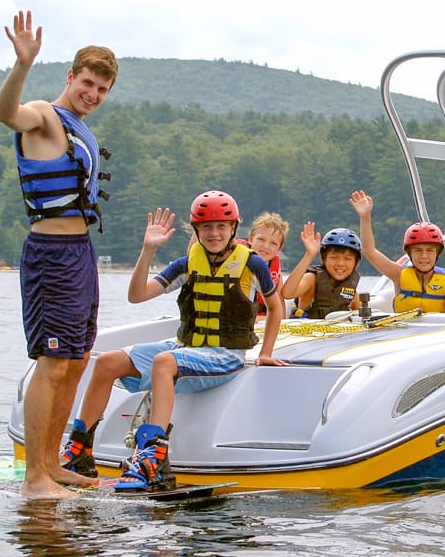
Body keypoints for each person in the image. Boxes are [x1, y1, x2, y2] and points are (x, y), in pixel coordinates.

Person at [59, 191, 286, 492]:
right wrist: (148, 250)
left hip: (225, 355)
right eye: (206, 227)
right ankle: (79, 451)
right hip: (186, 349)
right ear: (195, 230)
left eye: (221, 226)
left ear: (234, 228)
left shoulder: (252, 265)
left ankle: (153, 455)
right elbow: (137, 295)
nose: (214, 233)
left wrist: (266, 352)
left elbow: (275, 307)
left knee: (164, 362)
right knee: (107, 362)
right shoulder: (186, 264)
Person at [0, 10, 118, 499]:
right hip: (50, 251)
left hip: (80, 251)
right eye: (87, 83)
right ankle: (35, 479)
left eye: (102, 90)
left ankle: (52, 464)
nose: (93, 95)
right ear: (71, 76)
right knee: (52, 360)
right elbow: (7, 114)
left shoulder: (81, 126)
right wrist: (22, 64)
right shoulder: (44, 114)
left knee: (77, 357)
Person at [349, 190, 445, 313]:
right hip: (406, 331)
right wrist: (365, 217)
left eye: (430, 251)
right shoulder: (398, 274)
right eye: (417, 250)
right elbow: (370, 251)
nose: (424, 256)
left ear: (438, 254)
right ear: (409, 254)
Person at [282, 223, 362, 318]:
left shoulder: (353, 294)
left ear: (356, 263)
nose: (340, 263)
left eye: (347, 259)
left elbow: (361, 318)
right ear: (323, 259)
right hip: (306, 329)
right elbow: (287, 294)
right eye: (334, 257)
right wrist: (309, 255)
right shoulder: (311, 279)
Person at [242, 212, 290, 316]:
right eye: (261, 239)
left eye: (273, 243)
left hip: (263, 321)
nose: (265, 246)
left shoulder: (276, 274)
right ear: (250, 239)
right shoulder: (235, 260)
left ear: (279, 249)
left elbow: (280, 314)